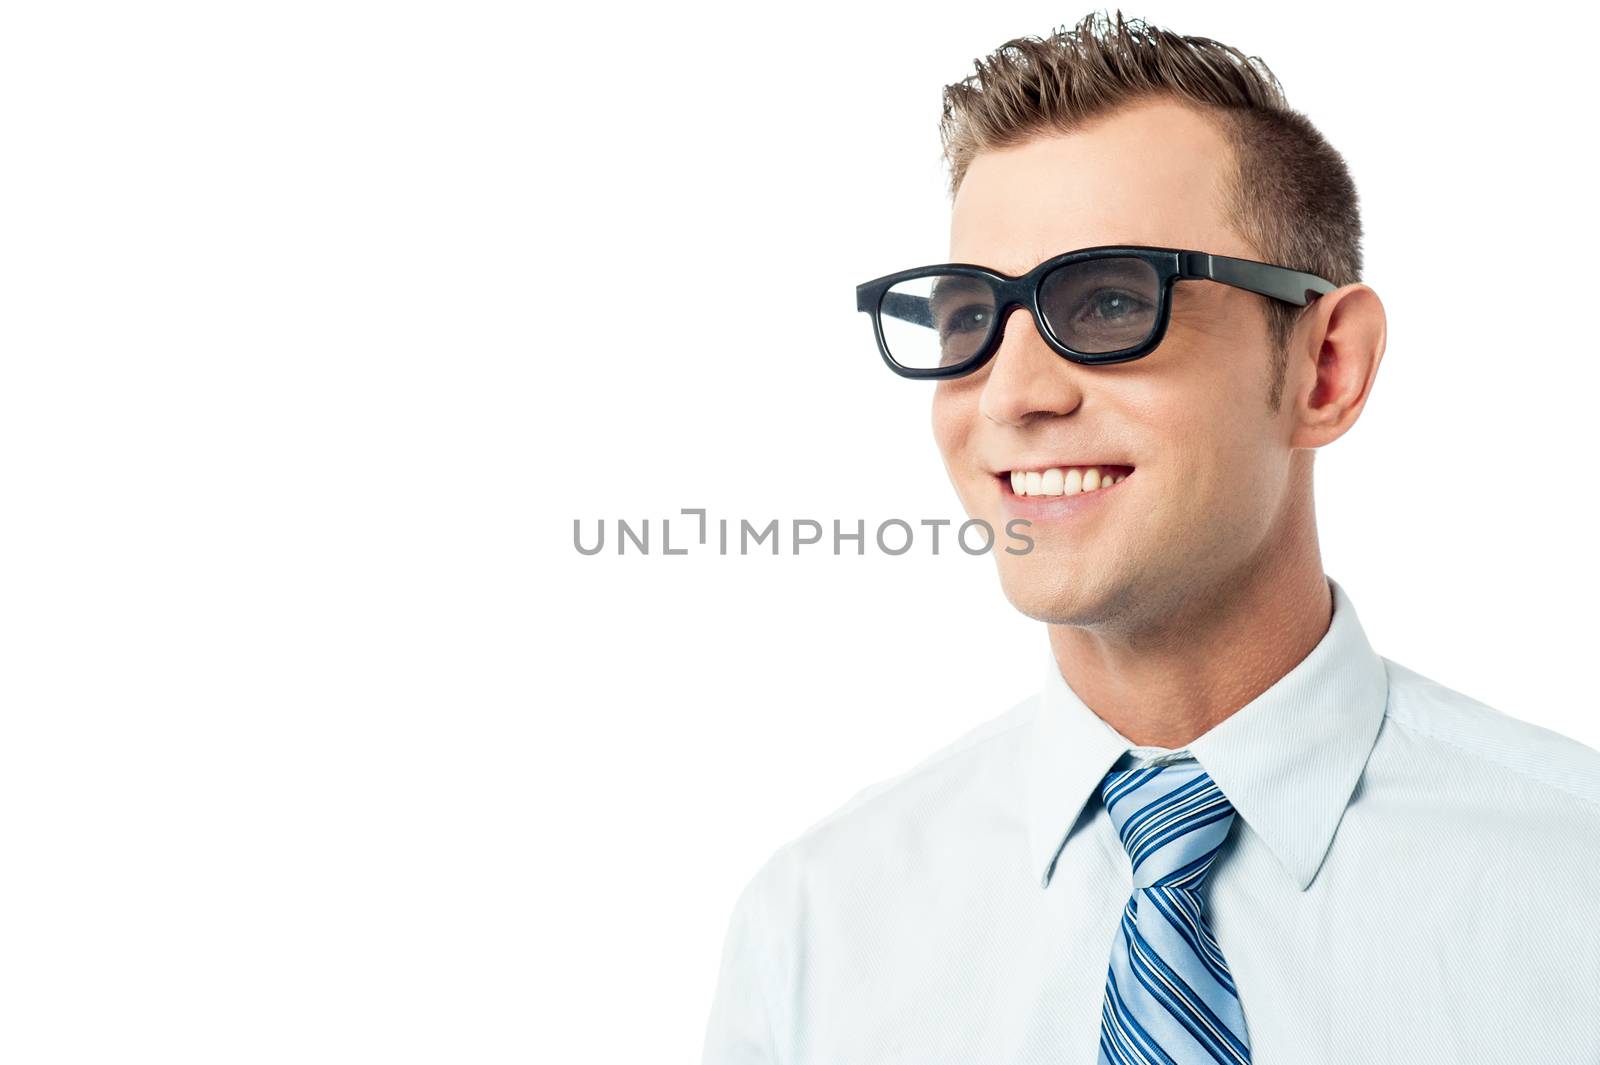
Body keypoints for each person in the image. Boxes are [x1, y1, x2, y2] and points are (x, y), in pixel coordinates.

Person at [700, 12, 1600, 1063]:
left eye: (1113, 301)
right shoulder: (815, 932)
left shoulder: (1571, 885)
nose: (1011, 396)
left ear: (1324, 370)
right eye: (966, 320)